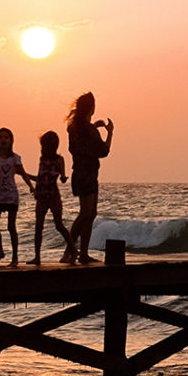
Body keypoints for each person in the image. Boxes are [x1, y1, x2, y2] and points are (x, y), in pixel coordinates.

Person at [64, 92, 113, 264]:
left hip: (82, 174)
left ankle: (82, 253)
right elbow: (103, 151)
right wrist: (110, 133)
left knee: (91, 214)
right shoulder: (88, 130)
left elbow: (82, 144)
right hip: (87, 175)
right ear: (91, 107)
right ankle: (69, 252)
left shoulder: (75, 128)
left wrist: (94, 126)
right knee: (86, 213)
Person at [0, 128, 34, 267]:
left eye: (6, 137)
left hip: (11, 196)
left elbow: (23, 173)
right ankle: (0, 251)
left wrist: (31, 186)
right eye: (0, 137)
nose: (3, 140)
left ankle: (15, 257)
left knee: (11, 227)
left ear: (11, 141)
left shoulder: (15, 158)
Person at [27, 131, 76, 265]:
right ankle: (37, 257)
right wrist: (24, 175)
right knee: (38, 226)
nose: (43, 148)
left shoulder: (59, 160)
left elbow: (63, 177)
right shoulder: (42, 159)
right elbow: (39, 178)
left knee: (59, 225)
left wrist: (64, 177)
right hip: (41, 196)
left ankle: (73, 250)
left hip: (53, 195)